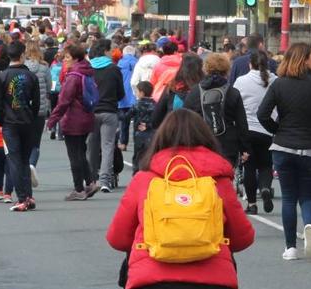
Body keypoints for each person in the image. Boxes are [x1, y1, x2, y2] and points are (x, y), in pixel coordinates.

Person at [106, 109, 255, 289]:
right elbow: (242, 238)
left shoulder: (145, 179)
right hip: (213, 278)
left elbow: (118, 238)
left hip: (152, 278)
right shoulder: (218, 181)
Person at [257, 43, 311, 260]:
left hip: (283, 146)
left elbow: (263, 114)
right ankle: (309, 224)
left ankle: (290, 247)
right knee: (308, 196)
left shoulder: (278, 84)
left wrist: (278, 131)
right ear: (304, 59)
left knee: (289, 197)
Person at [47, 44, 100, 201]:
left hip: (73, 119)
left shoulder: (73, 76)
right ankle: (90, 182)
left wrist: (52, 119)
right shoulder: (87, 72)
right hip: (87, 116)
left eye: (67, 57)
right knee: (81, 152)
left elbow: (64, 101)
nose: (65, 60)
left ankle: (78, 189)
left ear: (75, 58)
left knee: (74, 155)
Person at [0, 41, 40, 212]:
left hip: (9, 122)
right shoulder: (31, 76)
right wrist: (32, 118)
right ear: (22, 55)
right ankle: (28, 195)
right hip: (27, 121)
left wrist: (0, 120)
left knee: (14, 159)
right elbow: (37, 103)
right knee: (25, 159)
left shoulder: (2, 76)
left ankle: (21, 198)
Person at [184, 53, 250, 167]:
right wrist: (245, 148)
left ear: (206, 69)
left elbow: (186, 120)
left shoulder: (195, 92)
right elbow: (242, 123)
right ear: (227, 70)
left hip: (201, 143)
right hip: (227, 145)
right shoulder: (233, 92)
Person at [233, 50, 277, 214]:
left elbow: (235, 104)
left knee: (249, 167)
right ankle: (265, 187)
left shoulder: (241, 81)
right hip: (267, 128)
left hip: (247, 129)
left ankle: (252, 203)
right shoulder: (275, 80)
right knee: (266, 165)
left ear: (249, 64)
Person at [88, 39, 125, 193]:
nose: (112, 53)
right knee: (108, 146)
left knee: (92, 146)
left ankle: (92, 179)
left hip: (91, 111)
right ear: (105, 51)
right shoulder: (114, 69)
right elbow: (121, 93)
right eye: (110, 50)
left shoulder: (89, 69)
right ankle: (105, 180)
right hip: (109, 111)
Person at [24, 40, 52, 187]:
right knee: (36, 142)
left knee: (24, 141)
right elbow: (49, 87)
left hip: (24, 109)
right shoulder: (44, 68)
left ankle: (25, 167)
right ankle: (32, 164)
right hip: (40, 109)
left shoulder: (23, 68)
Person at [152, 53, 204, 128]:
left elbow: (156, 117)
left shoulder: (173, 87)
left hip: (175, 130)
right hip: (199, 132)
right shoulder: (204, 87)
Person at [130, 81, 156, 174]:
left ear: (141, 93)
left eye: (137, 91)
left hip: (139, 135)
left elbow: (127, 116)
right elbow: (157, 119)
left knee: (138, 156)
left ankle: (136, 175)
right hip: (152, 134)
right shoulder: (155, 105)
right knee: (150, 155)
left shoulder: (137, 105)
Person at [117, 45, 138, 152]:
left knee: (124, 121)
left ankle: (123, 143)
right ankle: (137, 143)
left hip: (123, 95)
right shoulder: (138, 62)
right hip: (136, 95)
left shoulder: (120, 63)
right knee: (137, 122)